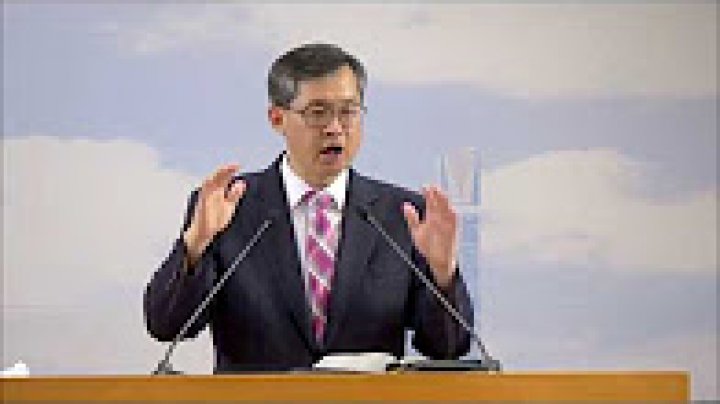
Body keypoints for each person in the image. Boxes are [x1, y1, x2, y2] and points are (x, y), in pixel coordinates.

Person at [144, 43, 472, 372]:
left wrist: (442, 274)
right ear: (277, 118)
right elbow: (166, 325)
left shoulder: (403, 215)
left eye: (348, 111)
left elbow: (447, 347)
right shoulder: (229, 208)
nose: (335, 127)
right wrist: (195, 246)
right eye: (318, 112)